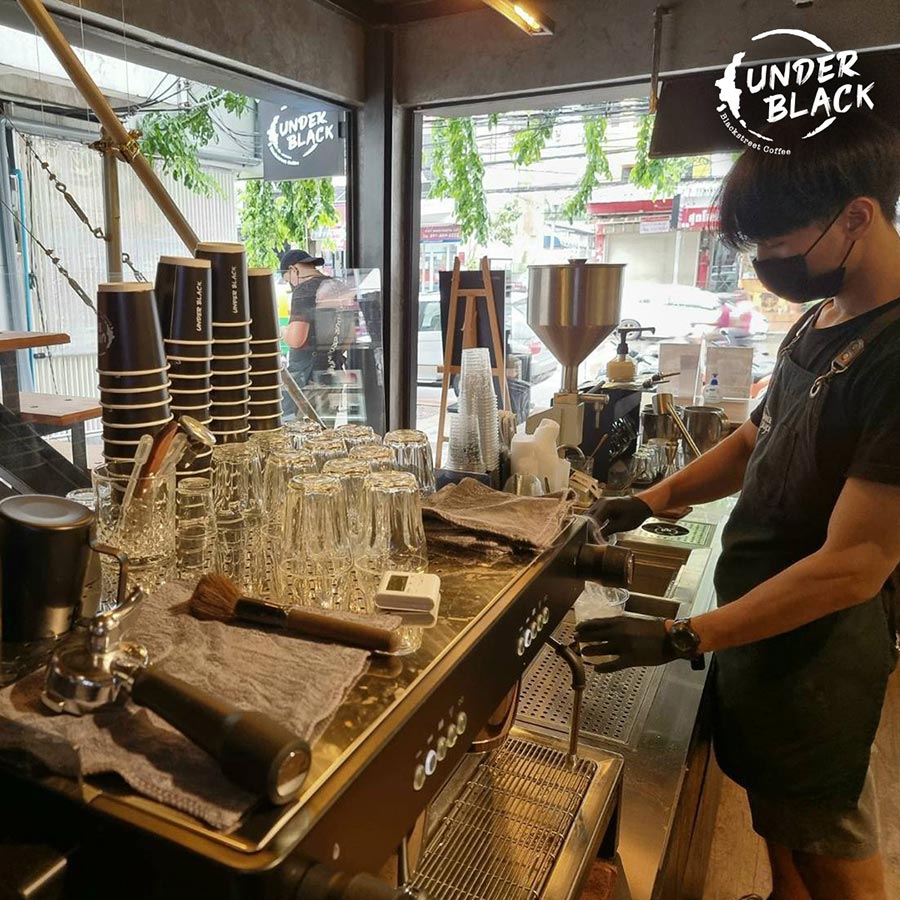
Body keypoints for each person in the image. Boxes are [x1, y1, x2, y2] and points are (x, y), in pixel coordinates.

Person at [583, 112, 900, 900]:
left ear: (857, 217)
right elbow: (758, 438)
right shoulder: (822, 318)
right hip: (761, 630)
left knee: (829, 847)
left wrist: (684, 634)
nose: (767, 266)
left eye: (780, 245)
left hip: (818, 650)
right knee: (781, 831)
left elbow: (857, 566)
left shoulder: (896, 356)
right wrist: (649, 500)